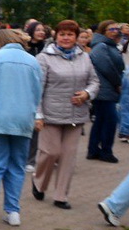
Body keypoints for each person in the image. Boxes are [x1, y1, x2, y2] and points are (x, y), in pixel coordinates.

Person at [0, 29, 42, 227]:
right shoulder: (32, 62)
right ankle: (13, 211)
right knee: (16, 166)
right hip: (23, 120)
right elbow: (37, 92)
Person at [31, 20, 99, 209]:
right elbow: (37, 89)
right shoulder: (44, 58)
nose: (66, 38)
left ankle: (61, 196)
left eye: (70, 34)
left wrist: (87, 94)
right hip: (50, 114)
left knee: (69, 156)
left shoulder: (84, 57)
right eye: (62, 34)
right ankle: (39, 182)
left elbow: (94, 81)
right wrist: (38, 114)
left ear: (76, 37)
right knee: (50, 152)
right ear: (56, 36)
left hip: (76, 115)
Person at [87, 20, 123, 163]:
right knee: (110, 120)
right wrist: (118, 82)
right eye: (111, 29)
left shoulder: (109, 45)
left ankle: (94, 150)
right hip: (103, 89)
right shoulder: (101, 46)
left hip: (107, 88)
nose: (115, 31)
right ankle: (106, 151)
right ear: (103, 31)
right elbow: (106, 67)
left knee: (101, 120)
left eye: (116, 29)